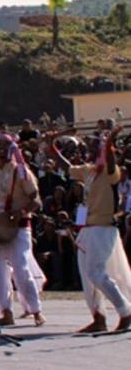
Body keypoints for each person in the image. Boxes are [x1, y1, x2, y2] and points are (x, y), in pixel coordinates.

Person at [51, 128, 131, 333]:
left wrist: (109, 144)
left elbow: (111, 162)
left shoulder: (111, 172)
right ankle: (99, 317)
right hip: (87, 229)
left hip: (103, 229)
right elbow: (66, 167)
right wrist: (52, 145)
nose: (89, 148)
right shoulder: (88, 171)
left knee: (97, 273)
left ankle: (125, 311)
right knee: (87, 275)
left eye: (96, 145)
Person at [0, 134, 46, 326]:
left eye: (4, 145)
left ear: (12, 148)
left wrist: (20, 212)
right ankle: (6, 312)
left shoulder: (21, 170)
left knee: (21, 268)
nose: (0, 149)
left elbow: (36, 200)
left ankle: (36, 311)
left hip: (19, 228)